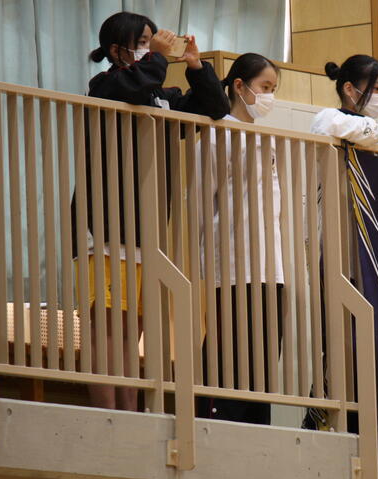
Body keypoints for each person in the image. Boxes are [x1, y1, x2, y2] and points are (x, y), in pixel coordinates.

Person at [73, 11, 229, 411]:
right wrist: (158, 57)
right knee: (108, 326)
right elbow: (134, 83)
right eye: (142, 42)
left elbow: (215, 107)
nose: (150, 48)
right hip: (104, 225)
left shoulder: (162, 96)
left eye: (151, 41)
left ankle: (129, 413)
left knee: (133, 329)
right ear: (116, 50)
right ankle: (106, 413)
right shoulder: (105, 84)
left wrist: (195, 67)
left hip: (147, 228)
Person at [197, 53, 283, 424]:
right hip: (233, 260)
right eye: (265, 87)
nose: (269, 96)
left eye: (273, 89)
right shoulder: (218, 133)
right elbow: (200, 201)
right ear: (239, 85)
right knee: (229, 351)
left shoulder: (267, 138)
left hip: (270, 264)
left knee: (263, 359)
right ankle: (212, 424)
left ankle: (257, 432)